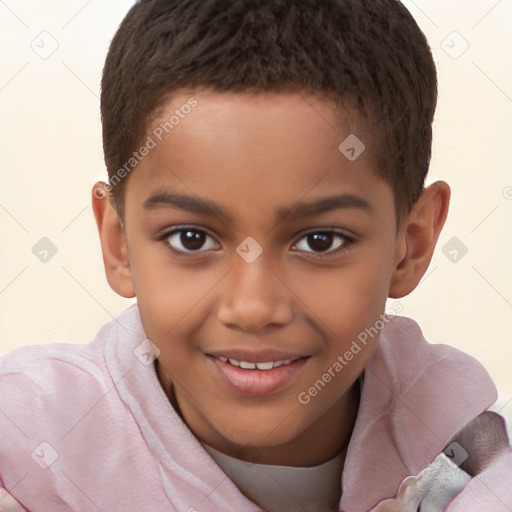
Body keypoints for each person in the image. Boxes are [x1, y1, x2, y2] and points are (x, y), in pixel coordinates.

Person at [1, 0, 511, 510]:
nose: (252, 308)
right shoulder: (28, 445)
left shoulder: (464, 452)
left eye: (320, 241)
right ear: (119, 243)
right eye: (191, 238)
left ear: (412, 244)